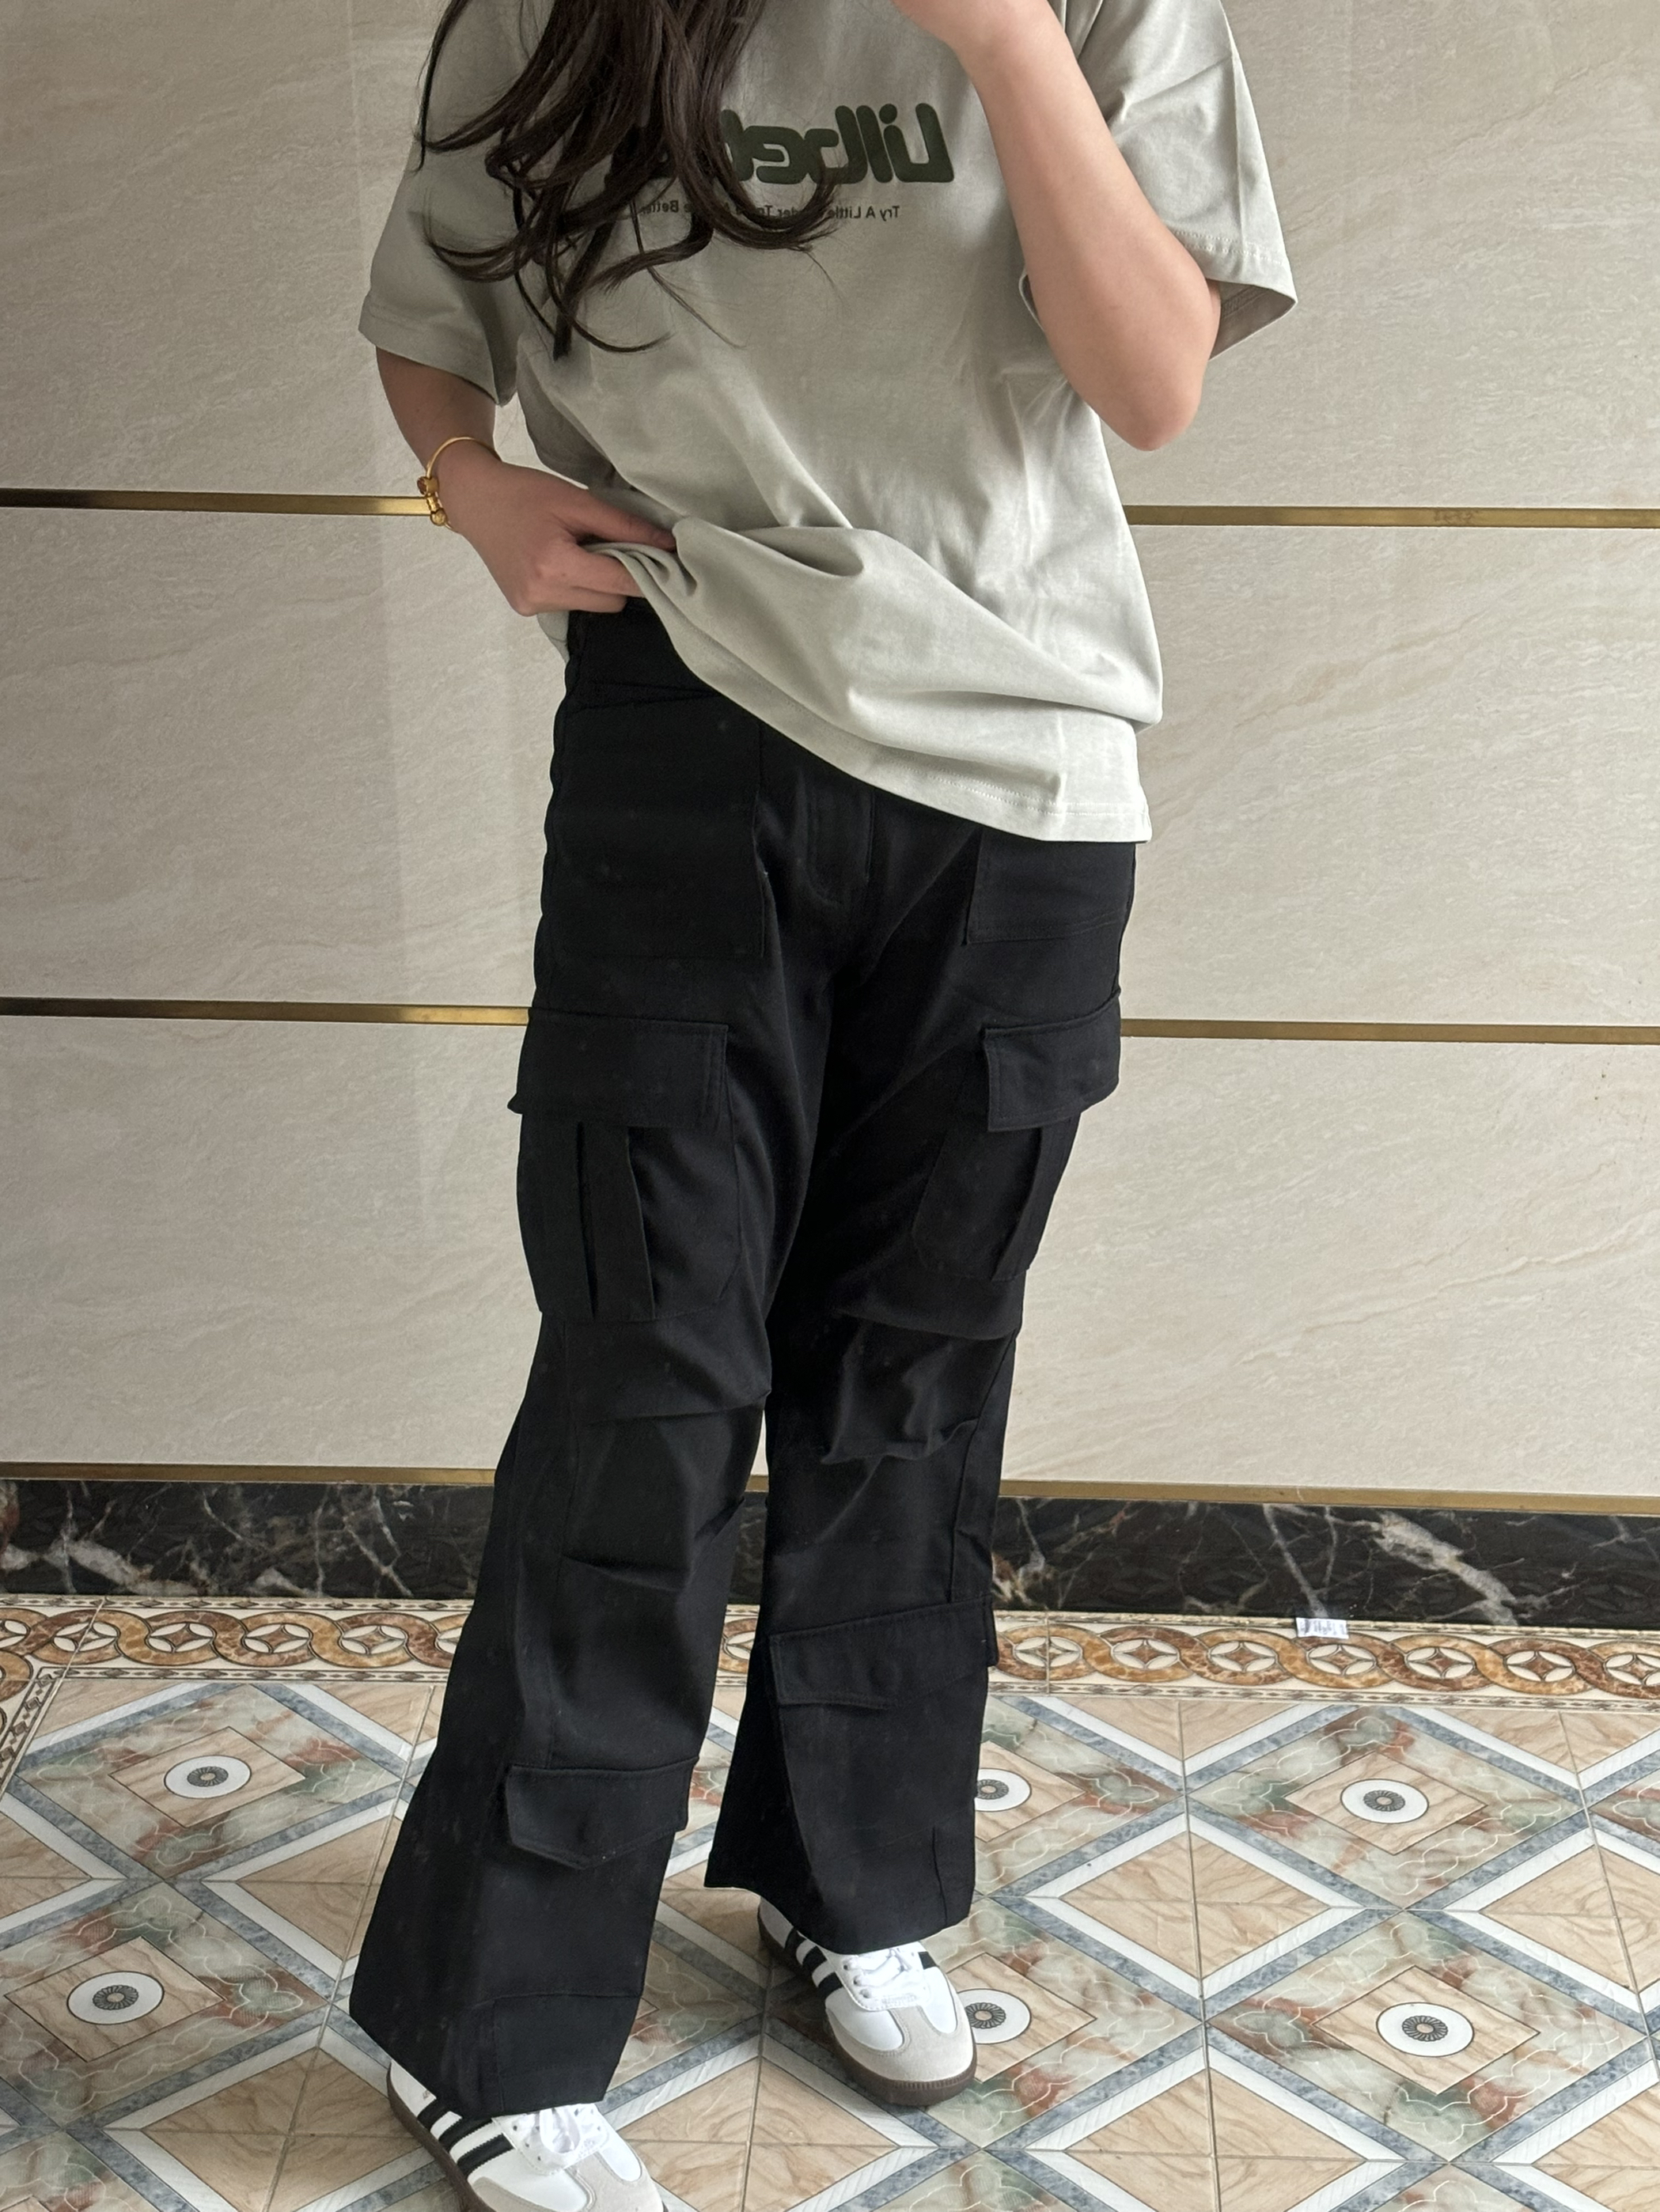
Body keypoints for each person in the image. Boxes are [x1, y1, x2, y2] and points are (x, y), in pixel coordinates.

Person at [351, 0, 1294, 2203]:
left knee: (910, 1374)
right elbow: (431, 307)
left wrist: (999, 37)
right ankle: (490, 2021)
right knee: (648, 1386)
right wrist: (468, 484)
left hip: (1022, 774)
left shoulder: (1109, 11)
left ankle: (845, 1880)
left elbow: (1151, 378)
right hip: (685, 733)